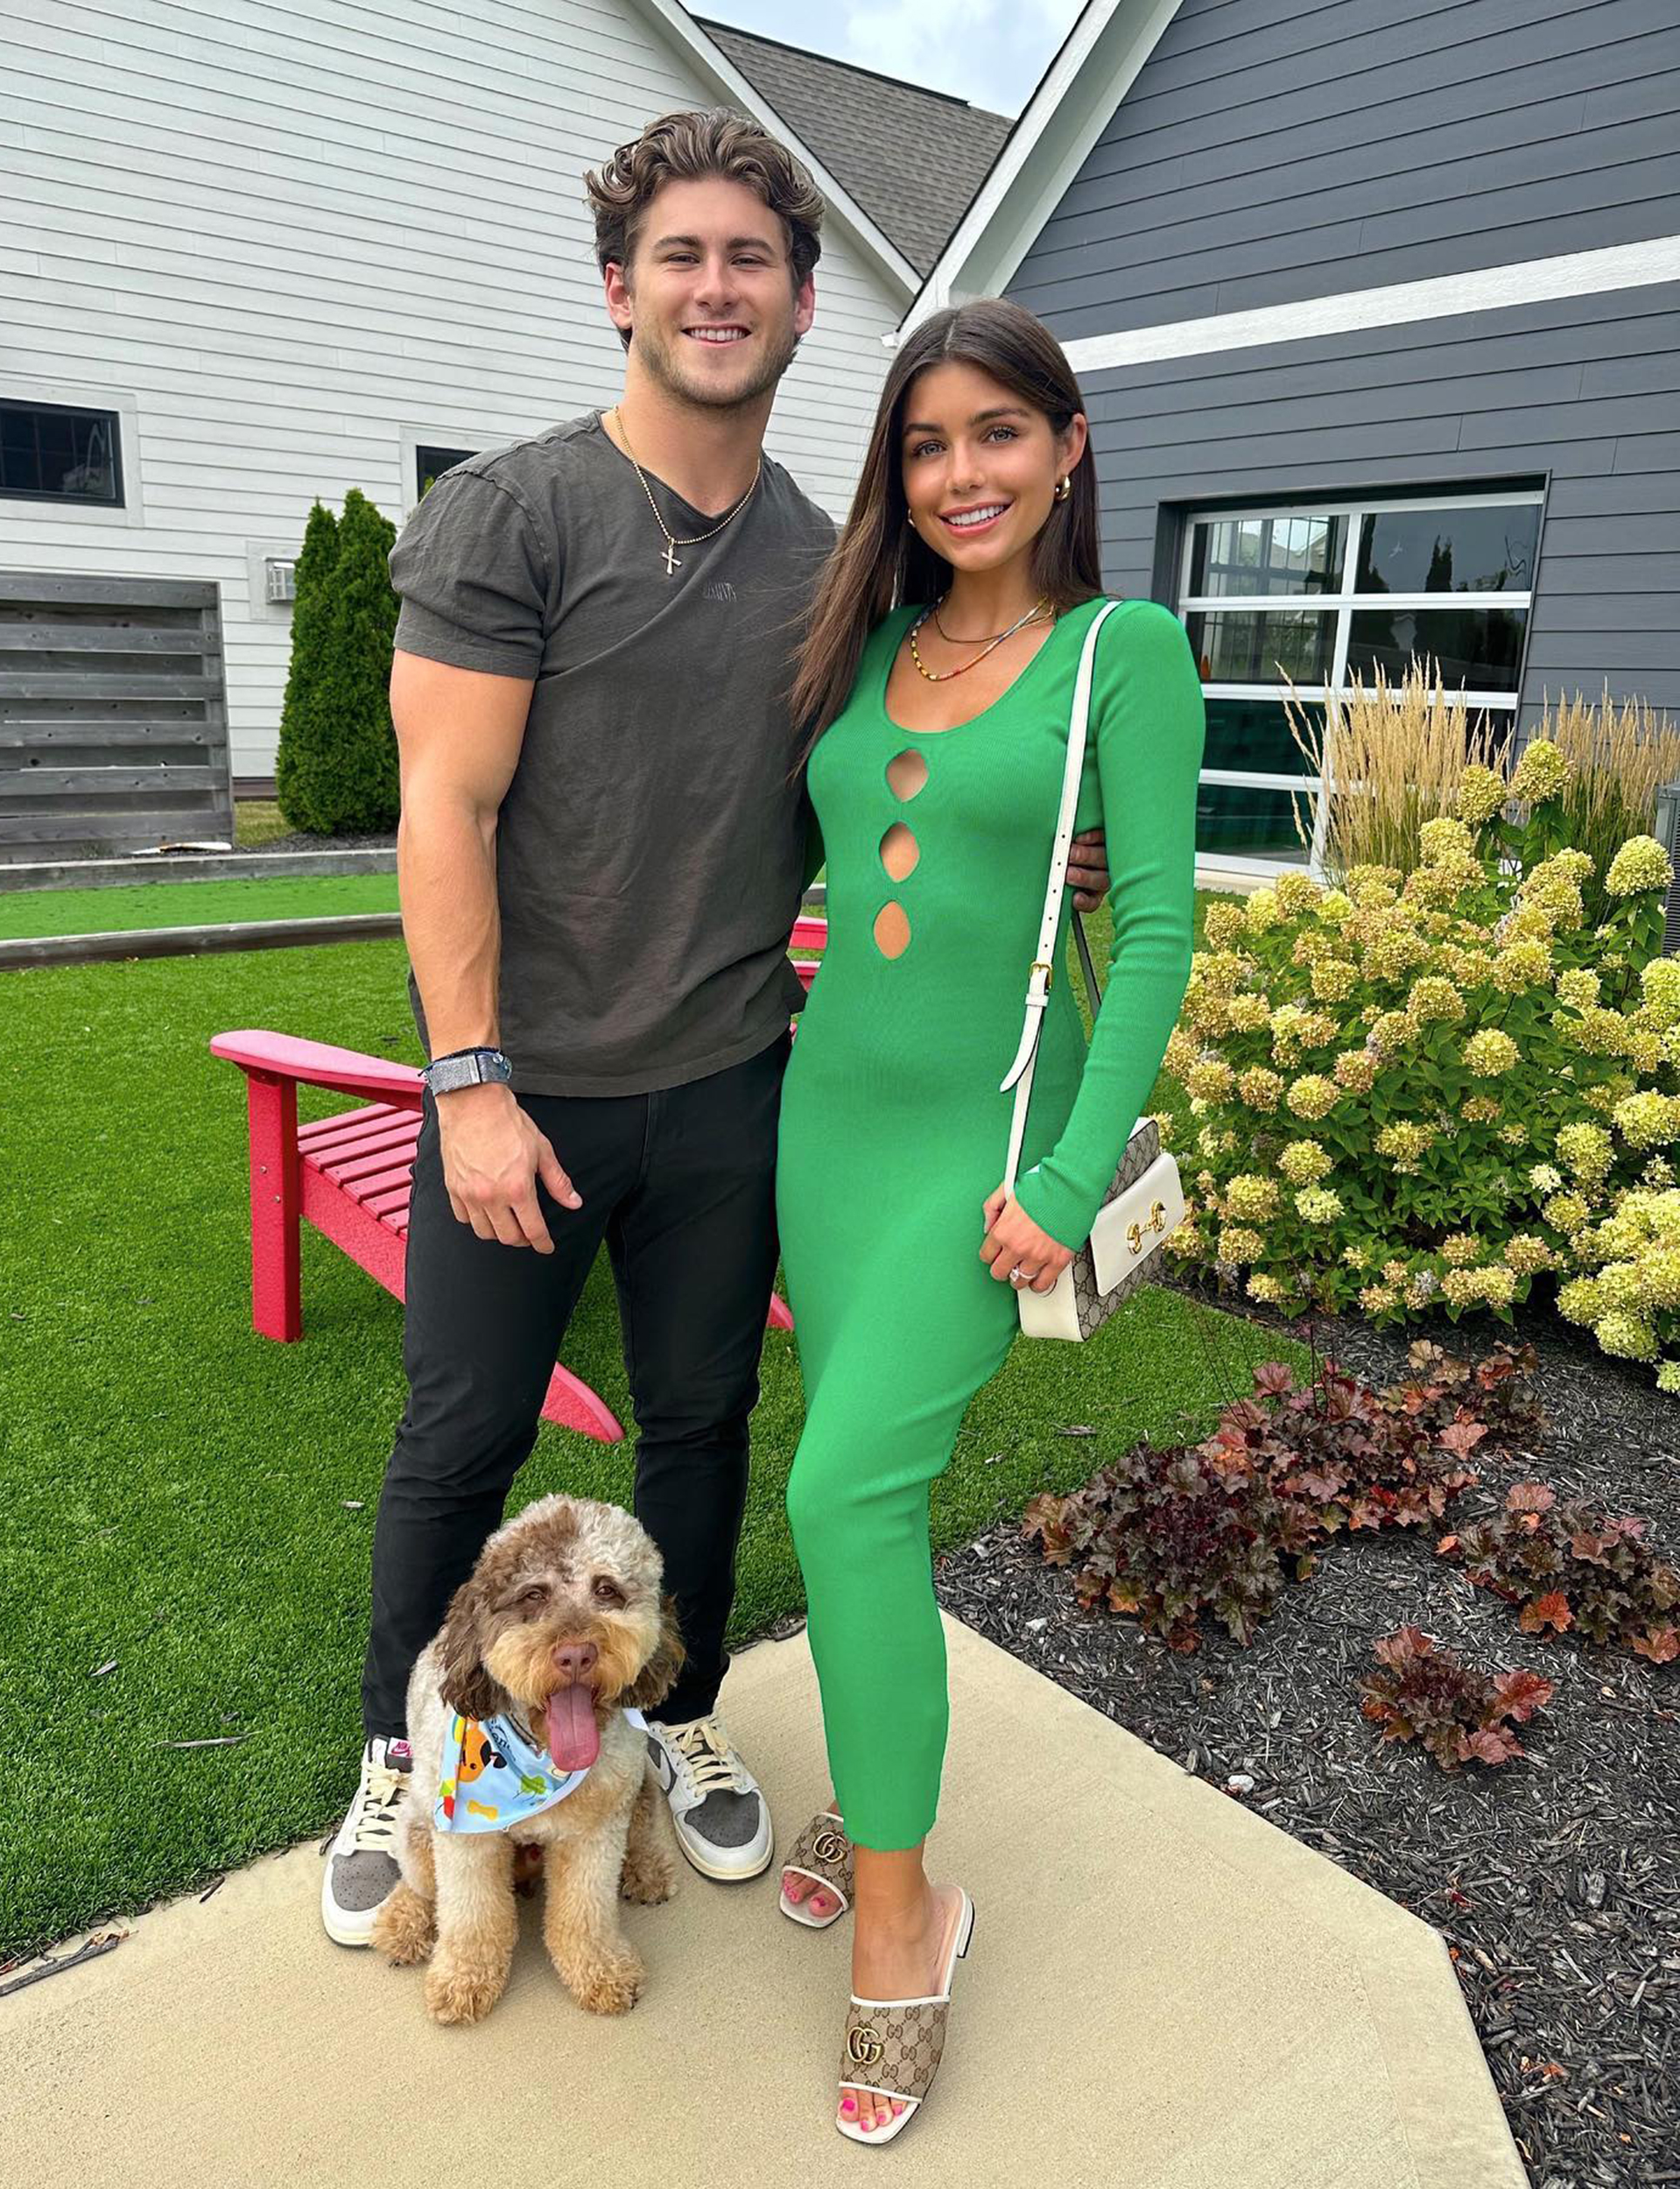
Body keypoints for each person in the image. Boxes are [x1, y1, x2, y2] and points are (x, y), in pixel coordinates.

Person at [319, 105, 1120, 1946]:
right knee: (461, 1430)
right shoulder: (509, 513)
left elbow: (923, 735)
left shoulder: (837, 567)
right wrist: (466, 1085)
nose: (713, 285)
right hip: (521, 1091)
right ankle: (407, 1743)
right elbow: (440, 806)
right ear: (618, 287)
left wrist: (1036, 819)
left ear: (800, 299)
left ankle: (666, 1721)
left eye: (749, 257)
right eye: (678, 254)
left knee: (704, 1414)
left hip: (736, 1081)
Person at [773, 297, 1206, 2142]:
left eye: (998, 435)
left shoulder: (1128, 653)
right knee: (854, 1491)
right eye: (929, 441)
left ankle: (902, 1912)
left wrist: (1052, 1174)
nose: (961, 473)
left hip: (977, 1151)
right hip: (824, 1129)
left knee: (838, 1492)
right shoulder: (859, 641)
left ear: (1067, 446)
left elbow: (1162, 935)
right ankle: (880, 1786)